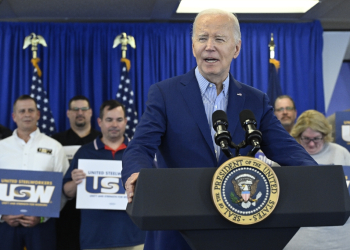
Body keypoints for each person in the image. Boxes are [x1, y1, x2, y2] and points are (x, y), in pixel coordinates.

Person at [121, 9, 317, 250]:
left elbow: (288, 150)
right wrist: (136, 173)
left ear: (236, 48)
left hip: (239, 229)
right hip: (176, 229)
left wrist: (316, 178)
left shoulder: (255, 100)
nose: (209, 46)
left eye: (219, 39)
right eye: (202, 38)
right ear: (193, 46)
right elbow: (140, 146)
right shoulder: (165, 94)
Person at [63, 100, 145, 250]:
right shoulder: (84, 152)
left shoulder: (139, 152)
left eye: (119, 120)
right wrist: (75, 182)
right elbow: (67, 192)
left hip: (135, 238)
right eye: (109, 120)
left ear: (126, 122)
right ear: (100, 122)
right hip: (94, 239)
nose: (114, 124)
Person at [0, 95, 69, 250]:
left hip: (42, 225)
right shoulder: (1, 147)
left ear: (38, 114)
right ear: (14, 116)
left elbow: (62, 188)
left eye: (31, 110)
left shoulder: (54, 147)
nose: (27, 114)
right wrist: (2, 216)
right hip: (5, 225)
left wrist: (44, 216)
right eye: (22, 111)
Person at [285, 109, 350, 250]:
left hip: (338, 238)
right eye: (306, 139)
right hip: (300, 238)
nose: (312, 144)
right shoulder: (287, 156)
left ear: (325, 135)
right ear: (297, 136)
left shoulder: (341, 153)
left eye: (316, 138)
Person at [52, 95, 100, 250]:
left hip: (96, 214)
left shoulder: (101, 140)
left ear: (91, 112)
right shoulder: (55, 142)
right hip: (64, 214)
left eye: (84, 109)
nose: (80, 113)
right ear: (68, 113)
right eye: (75, 109)